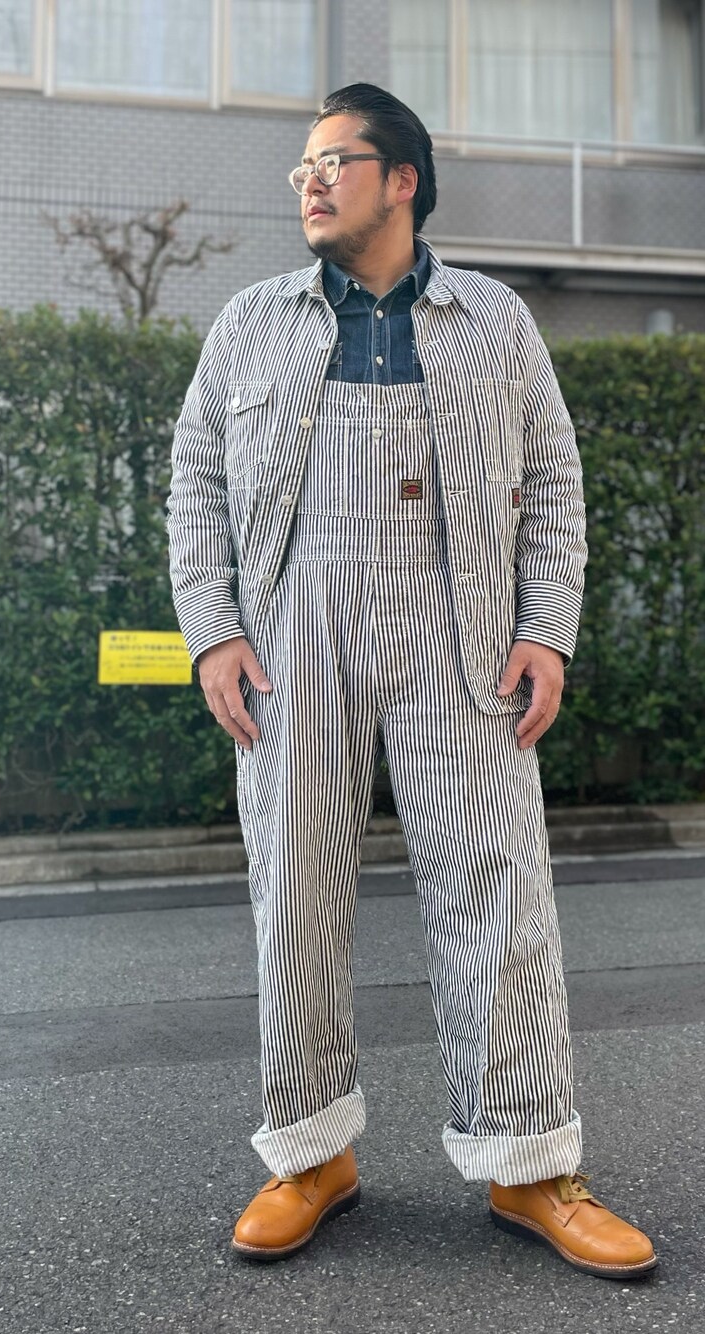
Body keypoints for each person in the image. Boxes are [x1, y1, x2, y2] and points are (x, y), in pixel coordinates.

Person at [167, 83, 657, 1279]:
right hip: (295, 628)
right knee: (295, 890)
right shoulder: (250, 322)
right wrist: (212, 629)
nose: (309, 181)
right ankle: (309, 1154)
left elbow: (554, 482)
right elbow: (195, 480)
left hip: (463, 625)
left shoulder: (493, 320)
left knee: (498, 888)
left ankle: (528, 1160)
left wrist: (545, 631)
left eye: (333, 160)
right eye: (301, 165)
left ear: (402, 180)